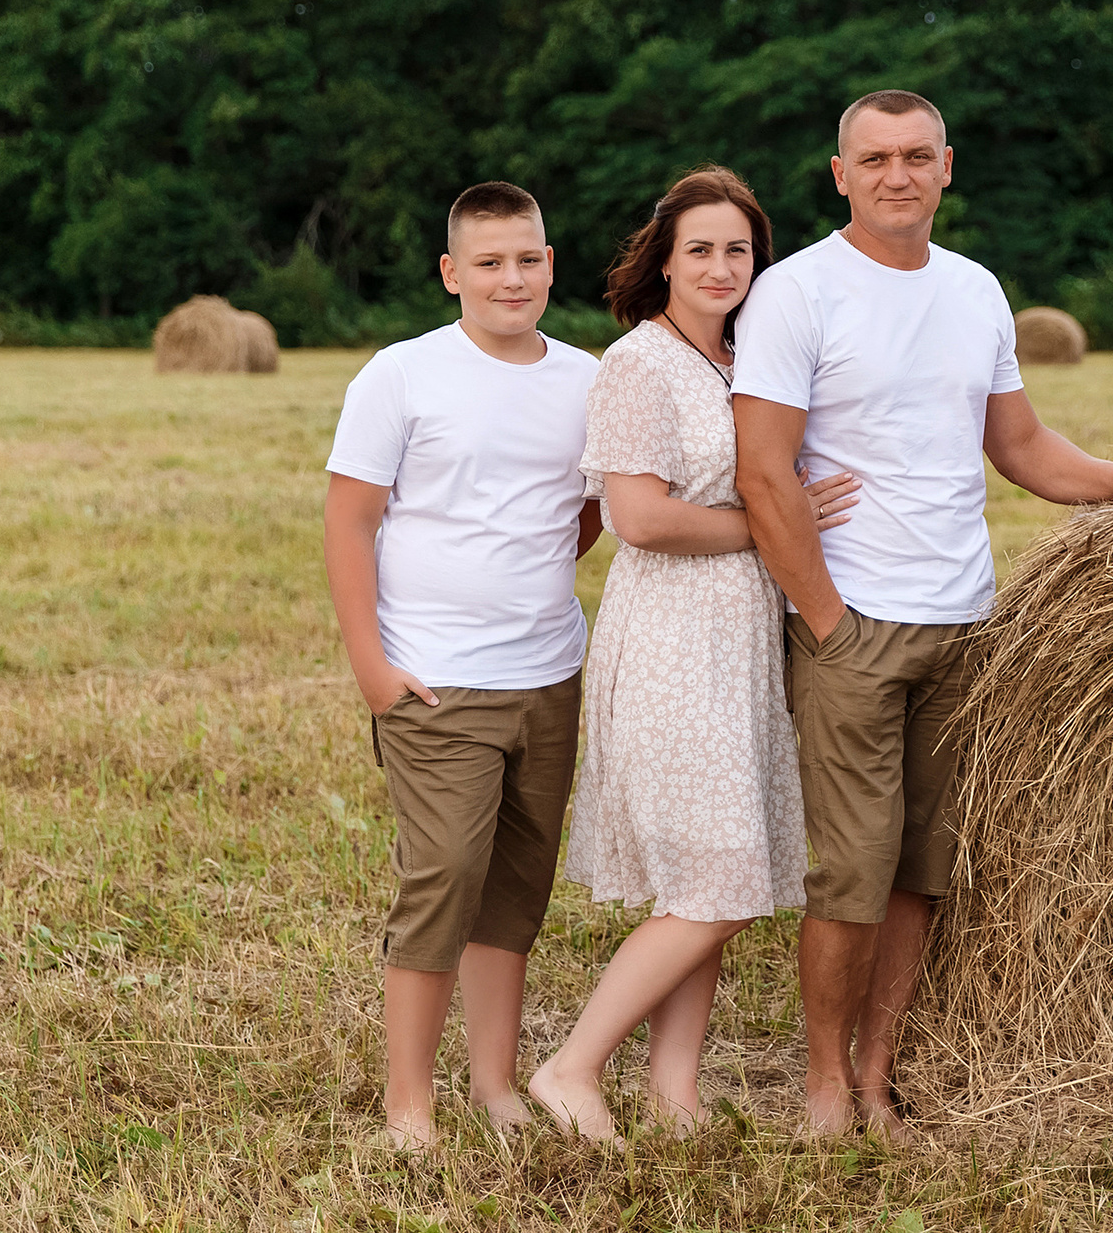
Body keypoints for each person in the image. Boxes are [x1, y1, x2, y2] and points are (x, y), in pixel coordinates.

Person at [731, 90, 1113, 1136]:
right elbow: (765, 477)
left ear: (946, 167)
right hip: (853, 621)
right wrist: (826, 622)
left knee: (924, 866)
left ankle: (877, 1070)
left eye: (916, 156)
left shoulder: (976, 292)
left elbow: (1021, 448)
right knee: (851, 869)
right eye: (874, 159)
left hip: (965, 624)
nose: (896, 175)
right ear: (839, 174)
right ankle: (823, 1084)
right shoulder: (795, 293)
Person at [528, 168, 862, 1142]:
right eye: (701, 249)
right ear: (663, 261)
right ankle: (571, 1066)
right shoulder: (640, 363)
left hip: (742, 642)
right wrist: (772, 525)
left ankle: (675, 1097)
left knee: (711, 878)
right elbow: (638, 517)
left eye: (739, 250)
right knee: (717, 880)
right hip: (674, 639)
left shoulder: (740, 360)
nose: (722, 266)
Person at [322, 181, 602, 1151]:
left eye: (527, 259)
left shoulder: (586, 378)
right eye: (488, 262)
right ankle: (410, 1101)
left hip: (550, 673)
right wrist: (373, 666)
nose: (510, 277)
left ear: (550, 265)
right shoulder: (400, 376)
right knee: (443, 875)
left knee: (517, 887)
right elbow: (350, 523)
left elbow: (594, 507)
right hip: (435, 678)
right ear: (451, 273)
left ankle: (492, 1083)